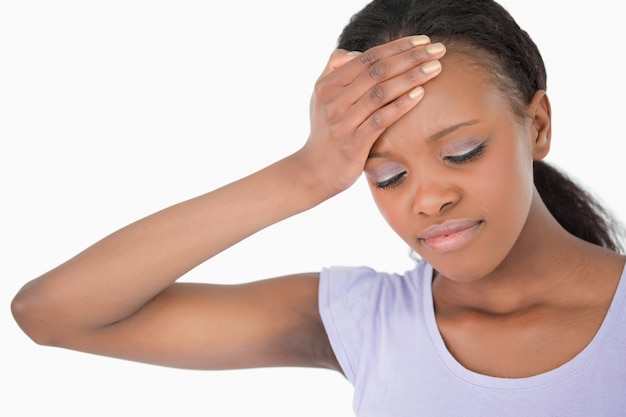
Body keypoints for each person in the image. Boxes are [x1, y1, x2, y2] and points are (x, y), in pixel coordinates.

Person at [11, 0, 626, 415]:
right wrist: (304, 176)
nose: (430, 198)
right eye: (386, 175)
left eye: (463, 151)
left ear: (537, 125)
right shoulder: (365, 323)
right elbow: (53, 314)